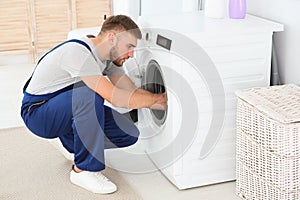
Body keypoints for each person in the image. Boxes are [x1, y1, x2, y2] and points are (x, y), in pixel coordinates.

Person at [21, 15, 166, 194]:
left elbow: (129, 90)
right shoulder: (77, 52)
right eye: (129, 47)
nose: (131, 54)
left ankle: (72, 144)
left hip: (62, 107)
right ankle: (83, 170)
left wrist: (160, 98)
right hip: (38, 113)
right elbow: (115, 97)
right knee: (90, 94)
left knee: (128, 133)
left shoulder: (108, 60)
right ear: (112, 38)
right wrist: (155, 102)